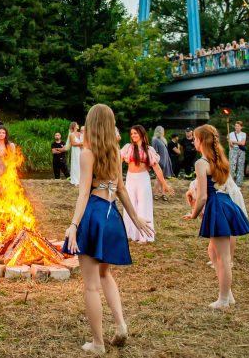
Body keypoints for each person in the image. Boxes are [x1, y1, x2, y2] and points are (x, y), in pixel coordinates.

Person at [63, 104, 153, 355]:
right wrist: (134, 218)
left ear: (91, 125)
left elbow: (83, 194)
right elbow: (121, 189)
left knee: (91, 285)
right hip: (113, 215)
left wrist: (73, 225)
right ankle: (121, 325)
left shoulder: (87, 154)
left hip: (93, 214)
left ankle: (98, 343)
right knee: (106, 275)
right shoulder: (116, 151)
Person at [183, 124, 249, 309]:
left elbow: (204, 196)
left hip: (217, 205)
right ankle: (227, 293)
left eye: (196, 138)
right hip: (225, 203)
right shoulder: (219, 159)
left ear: (200, 141)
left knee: (223, 257)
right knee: (213, 252)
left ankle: (224, 299)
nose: (194, 141)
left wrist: (193, 214)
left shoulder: (201, 163)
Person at [120, 126, 171, 242]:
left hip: (143, 179)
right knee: (130, 204)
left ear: (142, 134)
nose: (133, 135)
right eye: (132, 133)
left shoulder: (149, 150)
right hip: (130, 178)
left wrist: (164, 184)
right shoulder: (128, 148)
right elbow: (117, 160)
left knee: (143, 205)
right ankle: (130, 233)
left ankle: (144, 236)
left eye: (135, 133)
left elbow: (157, 168)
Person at [151, 126, 174, 201]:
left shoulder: (163, 139)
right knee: (158, 179)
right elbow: (154, 152)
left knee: (163, 179)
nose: (164, 132)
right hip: (159, 162)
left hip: (165, 161)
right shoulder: (155, 140)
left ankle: (163, 194)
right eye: (163, 131)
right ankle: (155, 194)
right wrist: (158, 162)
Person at [228, 121, 247, 187]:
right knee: (232, 166)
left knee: (240, 166)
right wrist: (234, 142)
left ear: (241, 127)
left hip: (241, 150)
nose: (237, 127)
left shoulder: (243, 134)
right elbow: (230, 144)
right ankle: (231, 183)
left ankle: (239, 184)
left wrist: (233, 141)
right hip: (233, 150)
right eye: (236, 126)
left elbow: (242, 143)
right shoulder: (230, 134)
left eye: (238, 126)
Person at [68, 122, 83, 187]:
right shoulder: (71, 135)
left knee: (81, 164)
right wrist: (82, 143)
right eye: (77, 124)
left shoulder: (80, 134)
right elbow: (73, 144)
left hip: (81, 150)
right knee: (76, 163)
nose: (78, 125)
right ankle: (75, 179)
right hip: (75, 151)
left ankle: (81, 179)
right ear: (74, 126)